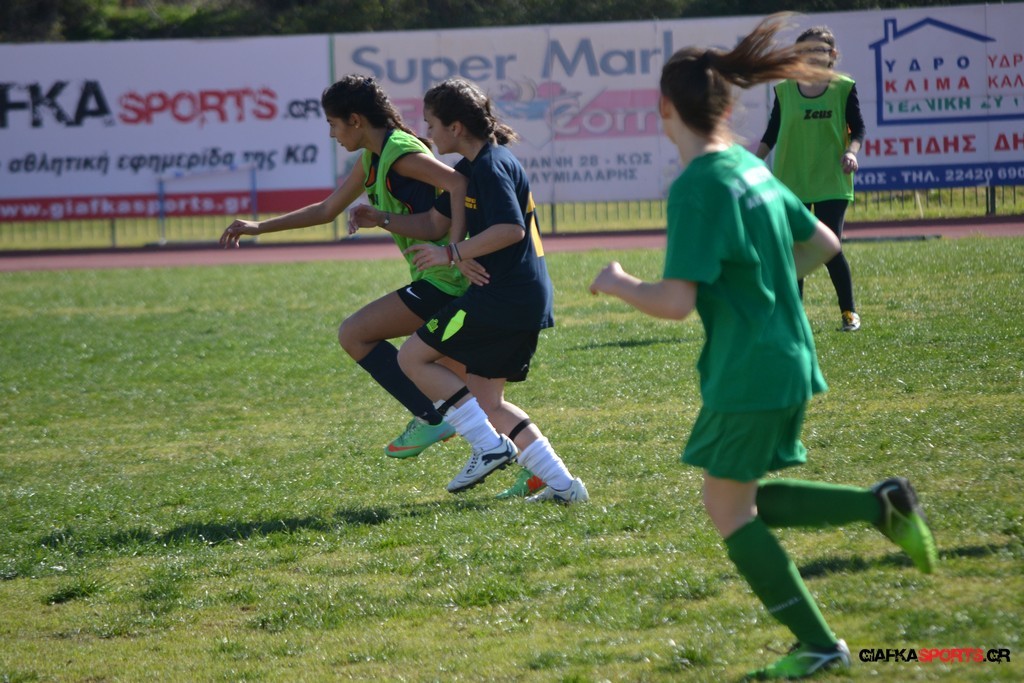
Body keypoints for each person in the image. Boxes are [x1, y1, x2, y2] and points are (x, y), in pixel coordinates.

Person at [589, 15, 936, 679]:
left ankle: (820, 643)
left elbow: (676, 301)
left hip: (750, 366)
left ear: (664, 108)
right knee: (736, 498)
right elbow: (824, 244)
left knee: (726, 507)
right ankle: (881, 505)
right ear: (727, 107)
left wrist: (619, 282)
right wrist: (768, 283)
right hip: (789, 355)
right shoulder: (749, 167)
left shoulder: (698, 185)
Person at [220, 74, 470, 459]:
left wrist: (454, 251)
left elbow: (459, 184)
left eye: (333, 124)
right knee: (474, 395)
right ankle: (528, 463)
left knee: (355, 334)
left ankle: (431, 417)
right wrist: (259, 227)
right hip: (435, 277)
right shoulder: (373, 158)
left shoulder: (400, 153)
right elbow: (326, 210)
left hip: (446, 279)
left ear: (355, 120)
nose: (331, 134)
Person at [393, 77, 587, 504]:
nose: (428, 133)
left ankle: (488, 447)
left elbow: (511, 229)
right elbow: (440, 220)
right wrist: (384, 219)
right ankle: (564, 487)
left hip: (504, 299)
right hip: (518, 298)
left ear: (456, 127)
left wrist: (452, 253)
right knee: (487, 400)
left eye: (431, 124)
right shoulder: (473, 167)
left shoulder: (492, 165)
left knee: (412, 356)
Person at [756, 25, 865, 332]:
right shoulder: (785, 90)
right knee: (792, 250)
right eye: (805, 50)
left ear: (832, 55)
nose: (812, 55)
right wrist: (752, 162)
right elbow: (772, 132)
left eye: (819, 49)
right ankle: (794, 317)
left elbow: (858, 128)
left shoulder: (843, 87)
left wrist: (852, 152)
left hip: (831, 181)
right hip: (791, 182)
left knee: (830, 247)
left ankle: (849, 313)